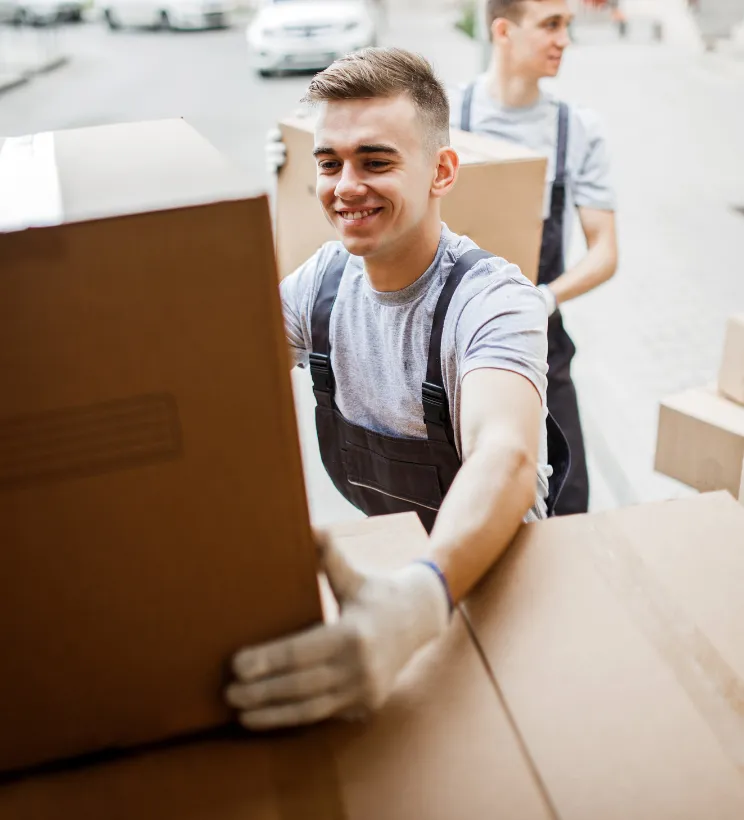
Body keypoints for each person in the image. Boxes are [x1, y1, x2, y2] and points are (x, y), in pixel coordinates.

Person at [227, 47, 567, 731]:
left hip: (497, 584)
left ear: (442, 171)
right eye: (329, 164)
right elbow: (223, 378)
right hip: (393, 570)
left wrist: (418, 601)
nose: (346, 186)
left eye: (375, 162)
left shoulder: (493, 299)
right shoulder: (320, 285)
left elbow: (504, 455)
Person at [460, 0, 618, 514]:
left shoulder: (577, 129)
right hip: (450, 348)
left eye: (567, 25)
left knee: (569, 505)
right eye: (550, 25)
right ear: (503, 31)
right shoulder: (445, 116)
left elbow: (604, 251)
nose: (564, 39)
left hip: (542, 344)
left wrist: (545, 298)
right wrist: (299, 163)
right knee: (464, 505)